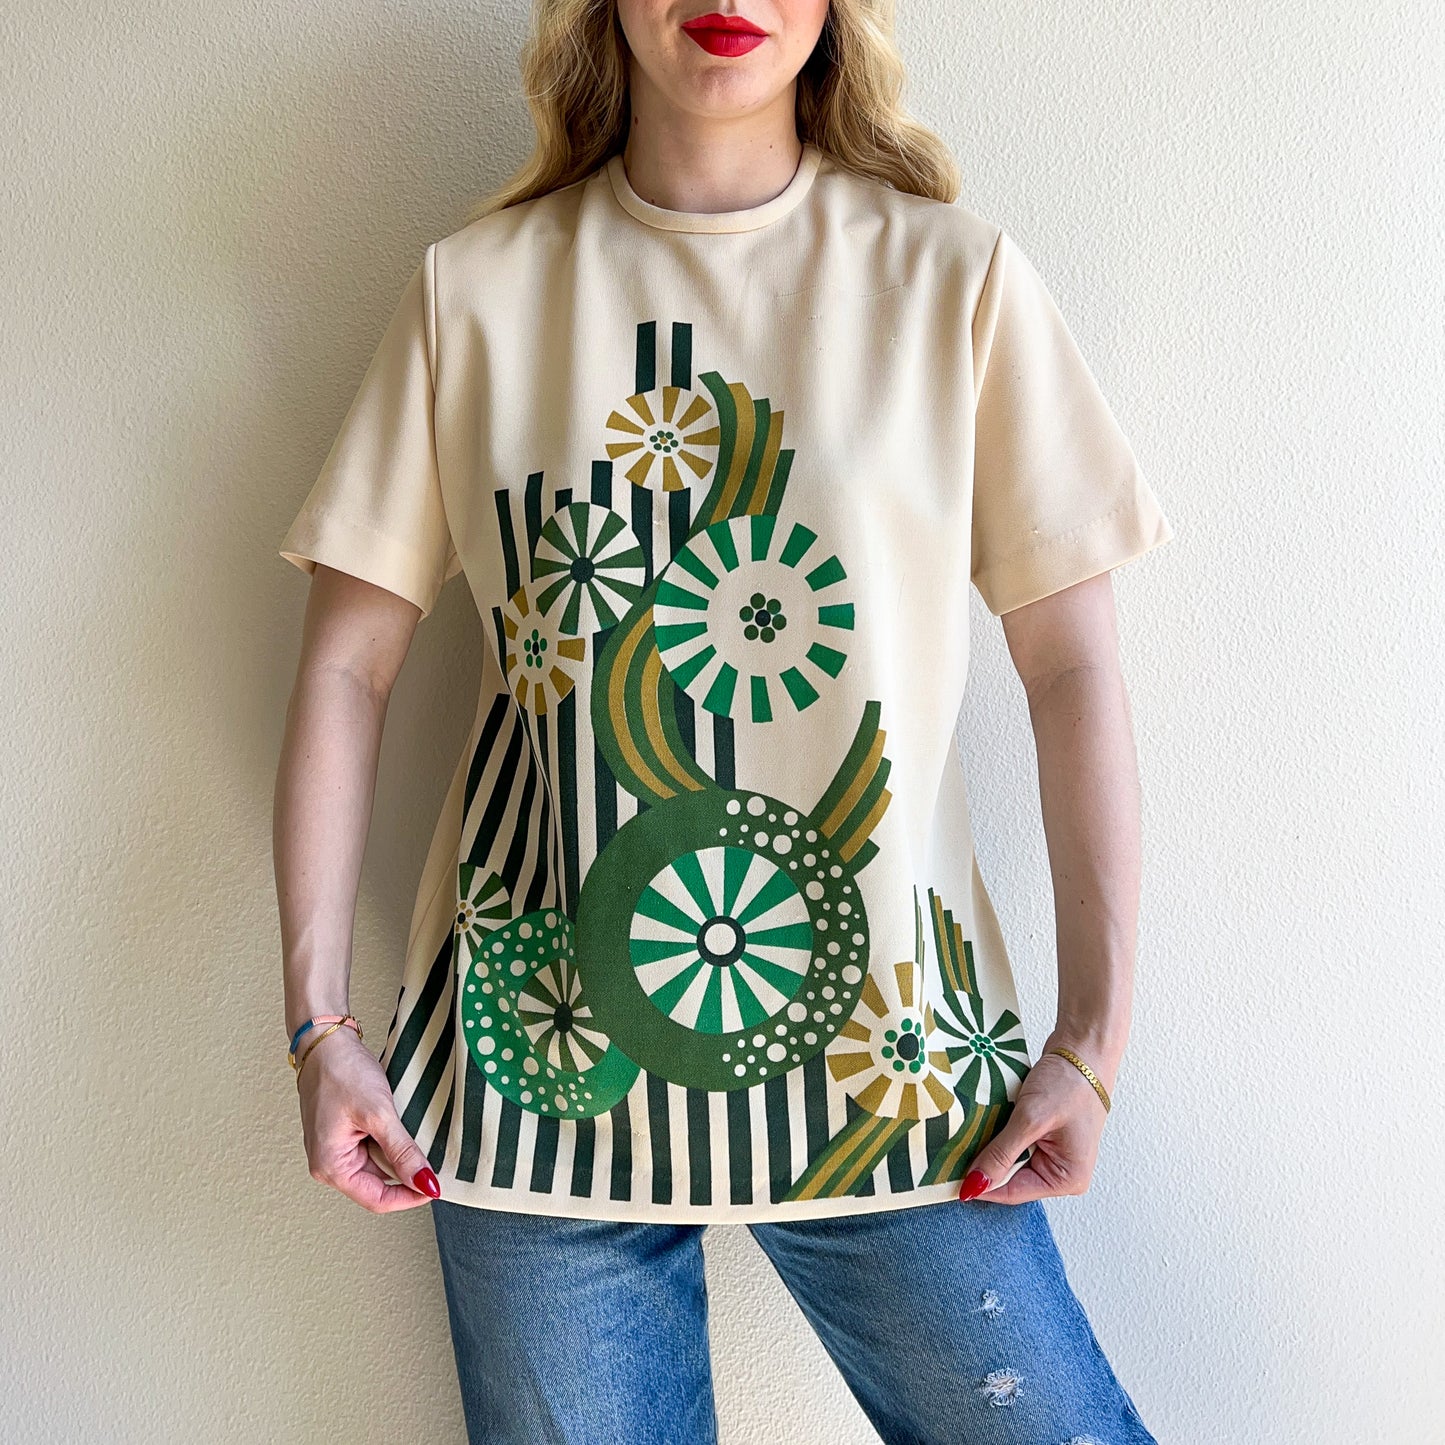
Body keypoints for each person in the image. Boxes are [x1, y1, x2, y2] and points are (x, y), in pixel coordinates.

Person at [273, 1, 1174, 1440]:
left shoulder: (955, 283)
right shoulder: (476, 294)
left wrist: (1092, 1040)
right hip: (539, 1071)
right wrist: (319, 1025)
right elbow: (344, 670)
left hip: (895, 1067)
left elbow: (1070, 666)